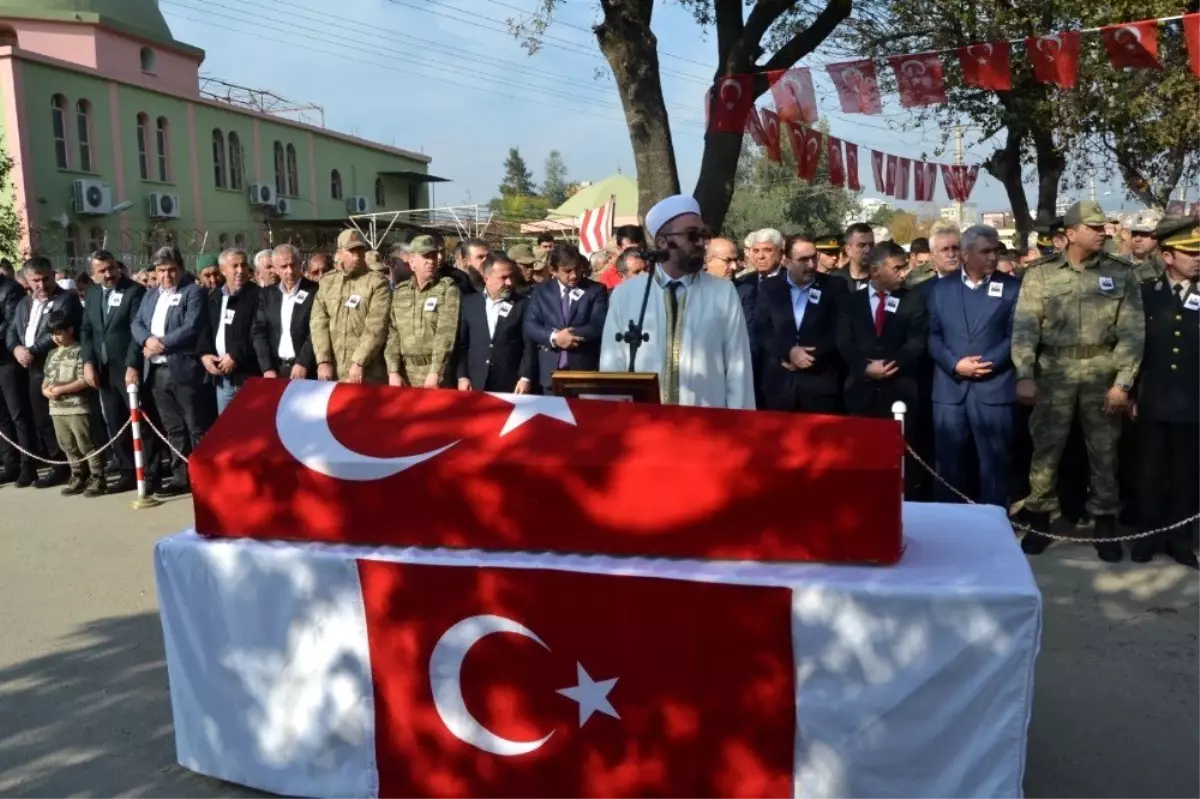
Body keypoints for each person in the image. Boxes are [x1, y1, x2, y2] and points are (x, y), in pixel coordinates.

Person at [1012, 201, 1145, 561]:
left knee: (1104, 451)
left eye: (1103, 228)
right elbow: (1025, 327)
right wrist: (1024, 374)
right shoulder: (1040, 274)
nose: (1102, 233)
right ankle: (1039, 520)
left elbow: (1132, 333)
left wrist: (1123, 383)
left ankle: (1105, 526)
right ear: (1070, 233)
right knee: (1045, 449)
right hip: (1053, 371)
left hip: (1102, 370)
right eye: (1094, 228)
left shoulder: (1121, 273)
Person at [599, 194, 754, 408]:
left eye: (703, 235)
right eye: (691, 236)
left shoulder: (723, 293)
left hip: (707, 426)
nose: (701, 243)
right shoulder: (627, 295)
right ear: (663, 241)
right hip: (646, 426)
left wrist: (739, 429)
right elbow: (612, 367)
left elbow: (739, 369)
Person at [926, 226, 1020, 509]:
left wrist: (984, 364)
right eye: (986, 251)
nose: (993, 257)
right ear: (966, 254)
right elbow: (932, 334)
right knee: (949, 463)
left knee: (994, 463)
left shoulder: (1014, 287)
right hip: (949, 390)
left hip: (993, 388)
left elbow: (1016, 335)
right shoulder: (940, 289)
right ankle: (948, 523)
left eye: (996, 251)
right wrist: (955, 364)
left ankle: (993, 524)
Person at [1129, 217, 1200, 568]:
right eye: (1190, 253)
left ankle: (1180, 540)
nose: (1197, 259)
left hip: (1192, 402)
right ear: (1169, 257)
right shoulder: (1146, 294)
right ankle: (1146, 537)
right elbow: (1134, 349)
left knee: (1186, 475)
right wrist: (1130, 393)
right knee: (1149, 473)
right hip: (1153, 400)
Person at [132, 246, 214, 497]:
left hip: (184, 368)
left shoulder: (193, 292)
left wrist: (162, 343)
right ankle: (181, 476)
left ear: (180, 268)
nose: (166, 276)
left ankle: (204, 476)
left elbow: (191, 327)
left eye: (171, 270)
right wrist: (147, 341)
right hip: (156, 370)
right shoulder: (150, 295)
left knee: (195, 425)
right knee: (173, 428)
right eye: (161, 271)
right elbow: (136, 323)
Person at [7, 257, 83, 488]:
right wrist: (17, 348)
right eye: (36, 280)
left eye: (46, 278)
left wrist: (30, 351)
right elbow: (12, 329)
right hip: (30, 369)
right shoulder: (25, 303)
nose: (42, 285)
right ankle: (49, 464)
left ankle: (69, 467)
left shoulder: (66, 299)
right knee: (39, 420)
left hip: (55, 367)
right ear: (27, 281)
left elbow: (54, 334)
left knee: (60, 421)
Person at [754, 234, 848, 413]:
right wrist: (789, 352)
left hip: (820, 383)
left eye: (813, 257)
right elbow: (762, 328)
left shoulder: (835, 286)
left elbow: (840, 329)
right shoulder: (770, 288)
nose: (811, 265)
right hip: (780, 385)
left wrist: (807, 357)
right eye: (803, 260)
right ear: (787, 261)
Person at [79, 250, 146, 493]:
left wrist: (132, 364)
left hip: (127, 366)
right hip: (103, 368)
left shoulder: (134, 291)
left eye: (112, 269)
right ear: (93, 275)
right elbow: (86, 330)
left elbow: (136, 331)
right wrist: (88, 362)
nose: (109, 275)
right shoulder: (93, 293)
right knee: (115, 420)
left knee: (139, 421)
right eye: (102, 271)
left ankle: (147, 470)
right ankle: (127, 469)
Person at [311, 229, 391, 384]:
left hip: (366, 372)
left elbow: (376, 326)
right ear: (340, 253)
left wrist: (359, 361)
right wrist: (323, 360)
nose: (356, 256)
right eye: (351, 251)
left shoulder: (377, 283)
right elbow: (318, 323)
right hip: (333, 372)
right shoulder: (327, 283)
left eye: (360, 250)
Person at [525, 246, 609, 393]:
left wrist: (569, 337)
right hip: (549, 373)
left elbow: (598, 324)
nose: (574, 275)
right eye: (567, 271)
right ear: (553, 270)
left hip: (583, 371)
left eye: (577, 269)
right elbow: (531, 324)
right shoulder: (541, 291)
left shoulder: (595, 290)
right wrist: (555, 337)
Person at [41, 310, 105, 497]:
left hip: (77, 407)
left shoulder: (80, 351)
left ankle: (97, 476)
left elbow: (84, 380)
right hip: (56, 409)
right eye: (53, 334)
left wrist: (61, 390)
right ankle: (77, 474)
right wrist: (45, 391)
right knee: (66, 444)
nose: (56, 338)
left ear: (70, 330)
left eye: (60, 333)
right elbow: (46, 378)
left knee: (86, 443)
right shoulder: (52, 353)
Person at [386, 234, 461, 388]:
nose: (432, 261)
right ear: (412, 261)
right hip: (405, 373)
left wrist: (435, 372)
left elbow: (446, 333)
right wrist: (392, 371)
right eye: (426, 256)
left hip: (435, 373)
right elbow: (393, 334)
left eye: (434, 256)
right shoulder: (401, 292)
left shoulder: (447, 289)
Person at [455, 253, 536, 394]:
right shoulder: (469, 304)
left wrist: (525, 377)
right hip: (475, 382)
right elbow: (462, 344)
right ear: (486, 278)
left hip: (510, 384)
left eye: (511, 277)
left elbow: (528, 344)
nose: (509, 283)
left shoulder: (523, 304)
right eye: (503, 278)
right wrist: (462, 376)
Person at [202, 248, 262, 414]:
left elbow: (257, 332)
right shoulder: (214, 296)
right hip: (222, 378)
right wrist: (205, 355)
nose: (240, 270)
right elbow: (205, 329)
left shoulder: (258, 295)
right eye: (234, 266)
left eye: (243, 265)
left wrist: (236, 355)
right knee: (228, 433)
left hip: (247, 375)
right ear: (223, 270)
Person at [254, 244, 319, 380]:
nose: (289, 271)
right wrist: (267, 368)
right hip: (276, 371)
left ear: (300, 265)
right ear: (276, 269)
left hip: (306, 370)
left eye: (293, 265)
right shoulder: (267, 295)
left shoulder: (314, 291)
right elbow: (259, 332)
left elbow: (317, 330)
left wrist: (303, 362)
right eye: (284, 267)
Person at [0, 264, 31, 485]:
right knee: (1, 417)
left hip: (8, 360)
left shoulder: (10, 289)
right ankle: (10, 464)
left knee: (18, 413)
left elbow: (10, 324)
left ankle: (29, 465)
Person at [829, 222, 874, 292]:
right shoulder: (834, 279)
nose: (868, 250)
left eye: (871, 245)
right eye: (862, 245)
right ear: (848, 250)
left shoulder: (881, 279)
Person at [1127, 210, 1165, 283]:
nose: (1137, 239)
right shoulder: (1121, 264)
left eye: (1144, 234)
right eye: (1134, 234)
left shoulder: (1167, 264)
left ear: (1159, 235)